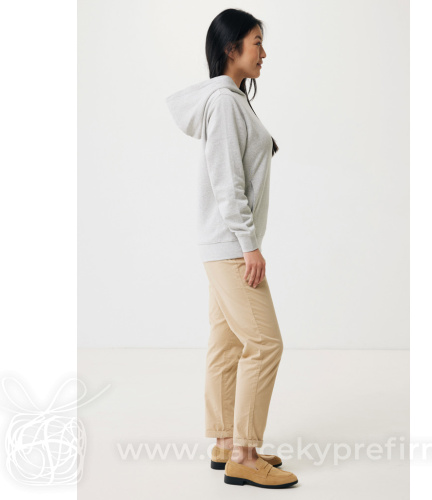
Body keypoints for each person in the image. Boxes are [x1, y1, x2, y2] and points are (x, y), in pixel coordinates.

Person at [166, 8, 298, 489]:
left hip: (221, 243)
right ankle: (244, 454)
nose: (264, 52)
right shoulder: (224, 102)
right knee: (265, 344)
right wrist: (250, 246)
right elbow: (227, 182)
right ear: (231, 48)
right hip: (229, 245)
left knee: (227, 343)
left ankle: (226, 442)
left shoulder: (232, 100)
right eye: (256, 42)